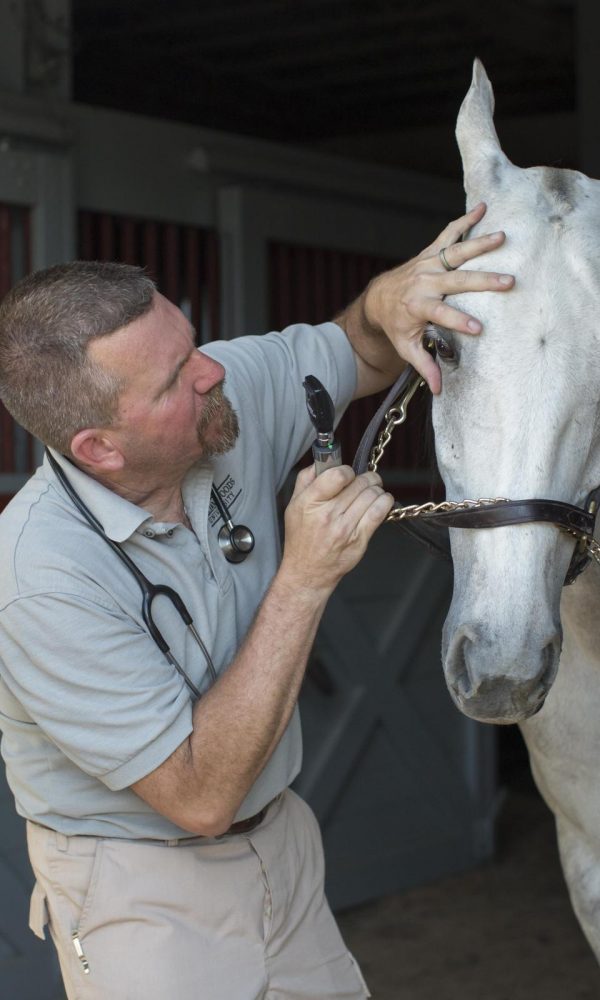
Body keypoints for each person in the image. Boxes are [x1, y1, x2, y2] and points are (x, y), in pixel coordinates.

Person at [0, 203, 513, 1000]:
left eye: (191, 343)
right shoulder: (41, 578)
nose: (210, 372)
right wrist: (305, 577)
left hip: (282, 844)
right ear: (100, 448)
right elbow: (200, 797)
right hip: (141, 890)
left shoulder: (217, 397)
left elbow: (360, 347)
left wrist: (389, 299)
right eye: (175, 379)